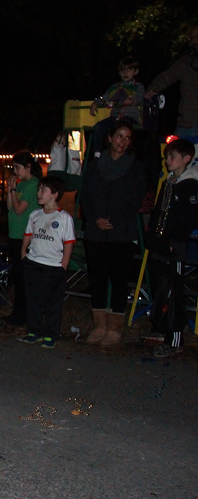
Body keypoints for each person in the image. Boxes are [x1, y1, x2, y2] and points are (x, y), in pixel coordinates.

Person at [79, 121, 146, 346]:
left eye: (127, 138)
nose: (122, 142)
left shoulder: (135, 167)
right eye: (119, 136)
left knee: (119, 280)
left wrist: (114, 221)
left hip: (121, 233)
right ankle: (99, 325)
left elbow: (135, 199)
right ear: (110, 138)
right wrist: (94, 218)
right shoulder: (94, 166)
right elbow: (85, 196)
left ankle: (115, 328)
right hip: (95, 232)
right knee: (97, 278)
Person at [145, 138, 198, 357]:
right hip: (160, 245)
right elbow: (159, 212)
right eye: (166, 156)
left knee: (173, 292)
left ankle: (175, 339)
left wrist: (173, 239)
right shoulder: (169, 182)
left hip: (174, 247)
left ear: (186, 159)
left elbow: (189, 218)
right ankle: (163, 328)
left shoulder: (190, 185)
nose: (168, 160)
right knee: (160, 289)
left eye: (172, 157)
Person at [17, 176, 75, 349]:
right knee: (33, 300)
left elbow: (69, 243)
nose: (39, 193)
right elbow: (28, 235)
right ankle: (33, 332)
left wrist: (64, 264)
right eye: (39, 189)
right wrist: (23, 254)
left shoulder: (64, 218)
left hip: (54, 266)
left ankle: (51, 334)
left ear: (55, 194)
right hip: (34, 262)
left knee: (52, 303)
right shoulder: (35, 215)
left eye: (44, 190)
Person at [3, 150, 42, 326]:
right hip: (15, 234)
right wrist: (10, 189)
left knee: (24, 277)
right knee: (18, 276)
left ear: (28, 167)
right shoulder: (22, 184)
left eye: (18, 168)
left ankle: (25, 314)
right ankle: (18, 313)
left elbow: (20, 210)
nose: (15, 171)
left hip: (25, 236)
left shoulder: (33, 184)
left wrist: (12, 189)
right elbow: (10, 207)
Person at [146, 25, 198, 139]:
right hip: (187, 125)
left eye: (197, 37)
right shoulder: (185, 63)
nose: (194, 41)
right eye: (192, 37)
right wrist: (152, 90)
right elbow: (166, 77)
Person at [89, 57, 144, 156]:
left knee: (121, 130)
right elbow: (104, 98)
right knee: (98, 127)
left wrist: (132, 101)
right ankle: (97, 154)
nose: (125, 73)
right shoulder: (114, 87)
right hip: (115, 117)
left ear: (136, 72)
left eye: (129, 70)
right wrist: (95, 103)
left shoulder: (138, 86)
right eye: (123, 70)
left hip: (130, 118)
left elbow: (140, 97)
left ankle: (125, 154)